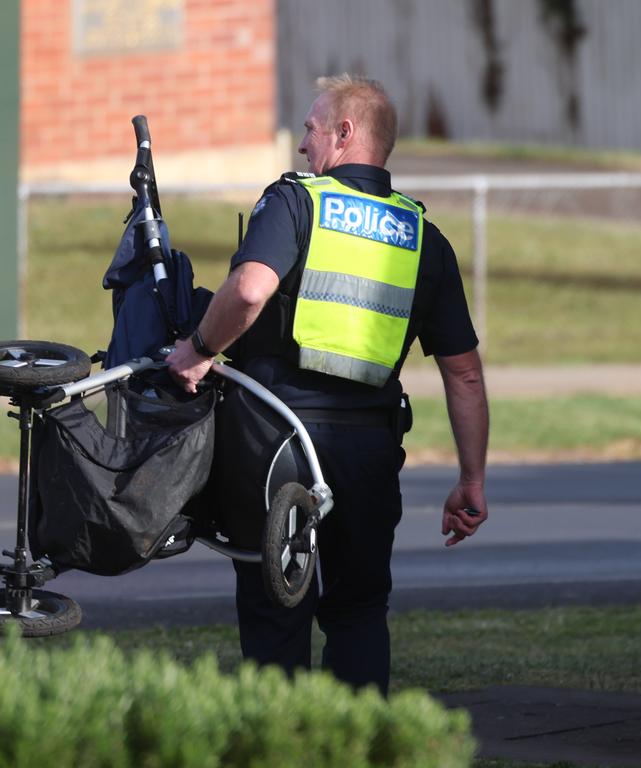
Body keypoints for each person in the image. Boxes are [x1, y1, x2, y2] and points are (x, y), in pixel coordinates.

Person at [166, 74, 489, 695]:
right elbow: (465, 372)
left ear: (345, 133)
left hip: (275, 444)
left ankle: (282, 749)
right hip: (369, 452)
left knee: (275, 613)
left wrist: (199, 349)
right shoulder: (427, 238)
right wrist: (470, 479)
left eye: (310, 130)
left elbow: (251, 288)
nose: (301, 146)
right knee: (359, 612)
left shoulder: (297, 202)